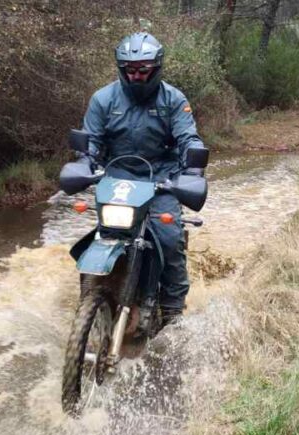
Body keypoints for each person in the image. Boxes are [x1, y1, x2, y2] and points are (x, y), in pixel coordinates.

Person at [66, 32, 205, 328]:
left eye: (143, 70)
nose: (136, 76)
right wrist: (84, 161)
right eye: (130, 70)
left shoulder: (174, 100)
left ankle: (172, 313)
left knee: (169, 239)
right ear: (121, 68)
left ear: (156, 68)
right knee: (103, 235)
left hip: (161, 180)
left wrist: (192, 171)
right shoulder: (103, 99)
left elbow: (188, 139)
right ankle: (91, 296)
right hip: (116, 179)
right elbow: (90, 140)